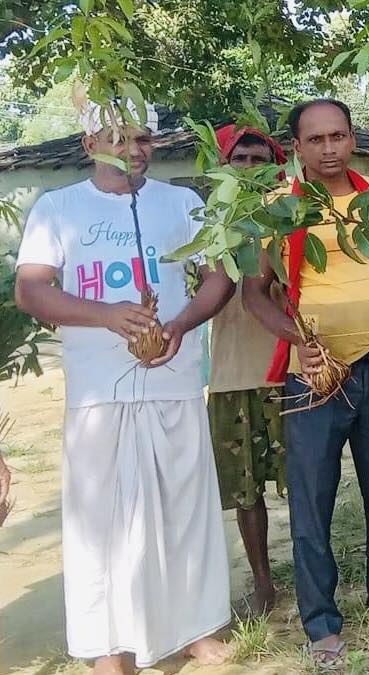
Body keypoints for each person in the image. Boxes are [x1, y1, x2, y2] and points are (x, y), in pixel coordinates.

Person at [15, 102, 236, 674]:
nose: (135, 150)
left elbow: (219, 276)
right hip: (98, 391)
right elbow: (32, 291)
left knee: (183, 506)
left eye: (144, 139)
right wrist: (107, 315)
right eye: (120, 138)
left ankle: (193, 628)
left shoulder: (181, 204)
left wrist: (181, 327)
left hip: (173, 378)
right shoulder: (56, 209)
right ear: (89, 144)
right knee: (101, 519)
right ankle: (107, 646)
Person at [242, 99, 369, 667]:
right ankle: (321, 622)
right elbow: (254, 292)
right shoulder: (279, 207)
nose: (329, 149)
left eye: (338, 136)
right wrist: (296, 339)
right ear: (297, 148)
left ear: (352, 139)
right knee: (312, 497)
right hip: (315, 374)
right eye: (316, 140)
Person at [206, 125, 289, 618]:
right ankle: (262, 581)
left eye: (262, 160)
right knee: (246, 489)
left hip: (288, 366)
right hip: (232, 371)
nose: (252, 169)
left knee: (304, 480)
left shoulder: (294, 216)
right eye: (241, 160)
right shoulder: (206, 227)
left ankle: (311, 567)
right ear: (224, 166)